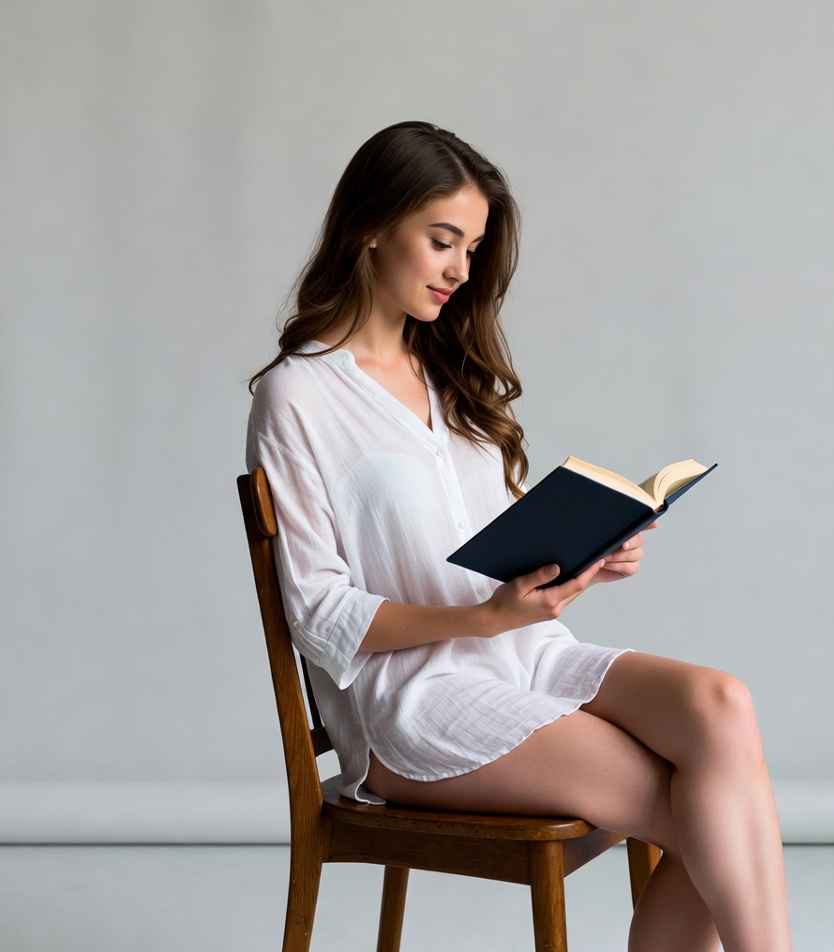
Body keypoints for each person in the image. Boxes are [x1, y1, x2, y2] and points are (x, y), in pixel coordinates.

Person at [247, 121, 792, 952]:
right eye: (442, 241)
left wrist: (583, 553)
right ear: (369, 225)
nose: (462, 271)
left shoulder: (448, 375)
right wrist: (485, 619)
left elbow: (484, 542)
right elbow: (319, 614)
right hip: (417, 705)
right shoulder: (298, 397)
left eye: (472, 247)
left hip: (522, 656)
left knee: (723, 709)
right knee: (706, 801)